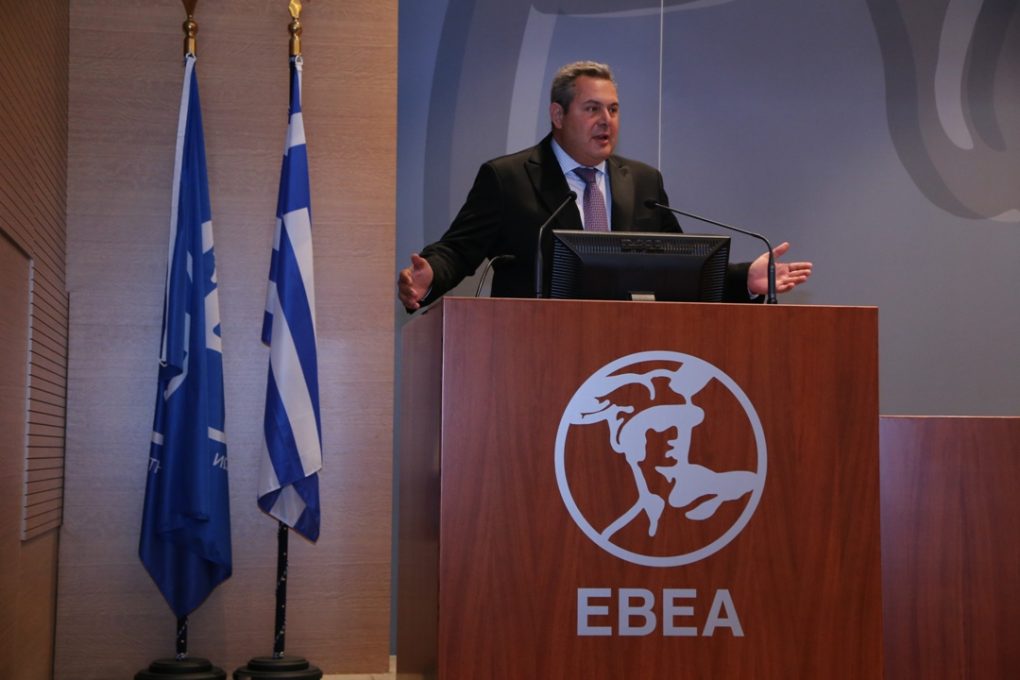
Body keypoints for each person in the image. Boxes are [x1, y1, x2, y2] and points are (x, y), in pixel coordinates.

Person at [398, 61, 812, 311]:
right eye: (592, 108)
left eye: (613, 110)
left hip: (625, 354)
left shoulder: (644, 182)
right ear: (558, 115)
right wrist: (430, 274)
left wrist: (744, 279)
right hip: (532, 351)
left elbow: (682, 272)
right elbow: (459, 250)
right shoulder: (508, 178)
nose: (606, 121)